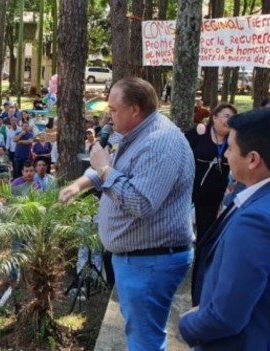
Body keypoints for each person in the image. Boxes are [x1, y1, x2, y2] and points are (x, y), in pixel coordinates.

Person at [59, 77, 194, 351]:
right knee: (142, 332)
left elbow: (140, 203)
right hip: (139, 258)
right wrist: (80, 184)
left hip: (151, 260)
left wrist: (104, 169)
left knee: (145, 341)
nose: (109, 115)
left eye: (114, 109)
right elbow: (115, 169)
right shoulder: (136, 134)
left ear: (134, 110)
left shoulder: (159, 143)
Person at [179, 108, 270, 350]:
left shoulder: (257, 221)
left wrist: (188, 323)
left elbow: (226, 316)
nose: (226, 155)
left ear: (253, 159)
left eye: (231, 148)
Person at [185, 103, 238, 244]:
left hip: (213, 196)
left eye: (233, 118)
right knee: (180, 228)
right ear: (214, 118)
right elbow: (180, 151)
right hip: (188, 190)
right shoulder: (199, 133)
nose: (230, 120)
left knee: (206, 234)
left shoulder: (234, 141)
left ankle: (200, 262)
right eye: (226, 116)